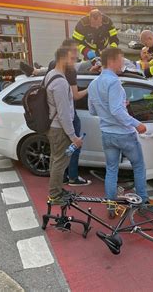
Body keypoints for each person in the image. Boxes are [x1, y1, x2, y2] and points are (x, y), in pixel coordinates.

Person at [87, 48, 153, 218]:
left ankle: (111, 206)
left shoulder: (93, 84)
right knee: (139, 166)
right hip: (123, 134)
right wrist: (136, 124)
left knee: (111, 170)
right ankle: (143, 202)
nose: (123, 63)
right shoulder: (114, 83)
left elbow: (92, 111)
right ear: (112, 60)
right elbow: (116, 110)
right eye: (121, 60)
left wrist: (115, 107)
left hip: (106, 133)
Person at [21, 40, 93, 186]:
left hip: (51, 121)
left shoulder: (52, 68)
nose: (76, 59)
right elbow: (69, 105)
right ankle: (64, 185)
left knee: (56, 158)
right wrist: (73, 137)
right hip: (60, 124)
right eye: (73, 56)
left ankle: (60, 185)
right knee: (63, 157)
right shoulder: (64, 77)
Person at [46, 46, 83, 203]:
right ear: (63, 59)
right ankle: (55, 194)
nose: (74, 62)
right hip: (59, 130)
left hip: (53, 127)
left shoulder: (51, 75)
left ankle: (57, 190)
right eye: (72, 59)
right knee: (60, 162)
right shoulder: (60, 82)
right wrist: (73, 137)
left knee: (55, 160)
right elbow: (63, 114)